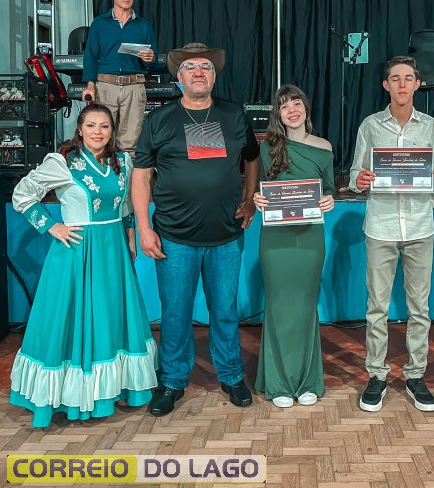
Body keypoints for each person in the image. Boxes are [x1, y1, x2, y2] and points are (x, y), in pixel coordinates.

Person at [9, 103, 157, 428]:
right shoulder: (63, 162)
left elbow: (126, 205)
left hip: (113, 251)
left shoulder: (123, 162)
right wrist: (52, 227)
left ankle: (111, 390)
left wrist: (131, 238)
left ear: (112, 130)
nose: (98, 132)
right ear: (79, 128)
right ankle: (74, 396)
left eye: (104, 126)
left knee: (111, 318)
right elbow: (22, 194)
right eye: (91, 125)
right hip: (77, 252)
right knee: (74, 319)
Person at [133, 42, 260, 416]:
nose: (199, 72)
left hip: (226, 236)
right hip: (174, 238)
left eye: (206, 66)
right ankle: (172, 381)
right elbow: (141, 176)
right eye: (190, 67)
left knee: (225, 311)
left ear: (214, 76)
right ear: (179, 77)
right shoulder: (159, 120)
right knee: (175, 313)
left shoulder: (233, 115)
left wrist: (250, 197)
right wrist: (143, 226)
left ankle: (231, 375)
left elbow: (252, 157)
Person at [349, 56, 434, 412]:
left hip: (420, 226)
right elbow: (355, 173)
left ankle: (415, 375)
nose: (403, 84)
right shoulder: (370, 125)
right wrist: (360, 180)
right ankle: (376, 375)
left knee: (419, 308)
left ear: (418, 84)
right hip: (380, 226)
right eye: (395, 78)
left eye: (409, 78)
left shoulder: (430, 126)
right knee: (376, 307)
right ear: (386, 85)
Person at [252, 85, 335, 408]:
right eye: (284, 106)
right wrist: (257, 198)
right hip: (275, 240)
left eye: (296, 103)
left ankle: (307, 381)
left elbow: (329, 188)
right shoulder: (267, 148)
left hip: (310, 239)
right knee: (278, 306)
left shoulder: (323, 147)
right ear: (279, 114)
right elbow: (259, 188)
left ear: (306, 108)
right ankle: (279, 383)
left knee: (305, 307)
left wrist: (329, 199)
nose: (292, 110)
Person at [81, 0, 158, 161]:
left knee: (130, 144)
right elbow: (91, 56)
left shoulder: (143, 25)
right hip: (106, 86)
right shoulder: (99, 24)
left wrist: (151, 58)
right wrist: (90, 85)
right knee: (100, 139)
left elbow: (154, 61)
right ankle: (101, 176)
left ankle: (126, 177)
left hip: (134, 86)